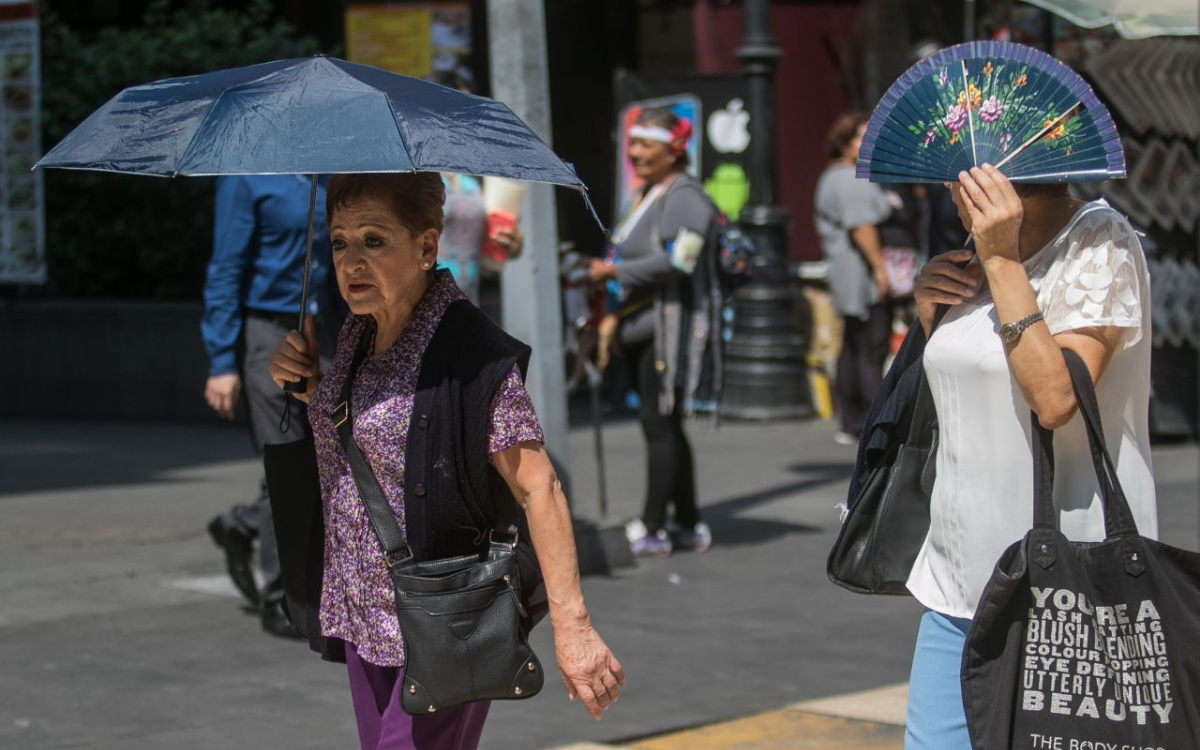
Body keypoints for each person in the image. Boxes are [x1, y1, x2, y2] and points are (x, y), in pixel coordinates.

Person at [267, 173, 623, 749]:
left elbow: (539, 487)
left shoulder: (471, 351)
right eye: (339, 241)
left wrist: (573, 627)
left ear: (427, 247)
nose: (352, 261)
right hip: (365, 612)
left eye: (374, 241)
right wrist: (310, 385)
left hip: (443, 618)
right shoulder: (361, 331)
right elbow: (368, 443)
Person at [903, 165, 1158, 749]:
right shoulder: (974, 251)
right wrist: (932, 312)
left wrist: (1001, 262)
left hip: (1069, 586)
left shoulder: (1101, 241)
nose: (950, 189)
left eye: (959, 173)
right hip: (957, 580)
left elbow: (1056, 399)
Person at [201, 174, 335, 638]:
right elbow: (225, 267)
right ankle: (282, 598)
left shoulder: (330, 177)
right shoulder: (248, 179)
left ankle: (239, 524)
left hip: (326, 332)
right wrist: (222, 361)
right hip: (269, 332)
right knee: (287, 463)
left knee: (327, 461)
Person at [586, 108, 721, 557]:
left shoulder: (686, 196)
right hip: (645, 326)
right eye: (634, 144)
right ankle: (687, 523)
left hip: (671, 328)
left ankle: (652, 525)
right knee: (665, 423)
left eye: (646, 145)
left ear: (674, 150)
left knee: (658, 423)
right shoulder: (648, 192)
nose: (635, 153)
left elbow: (681, 261)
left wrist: (613, 269)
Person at [814, 111, 893, 446]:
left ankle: (851, 419)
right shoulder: (847, 178)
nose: (866, 143)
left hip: (846, 272)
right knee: (870, 346)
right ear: (844, 142)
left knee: (853, 344)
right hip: (858, 275)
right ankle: (871, 422)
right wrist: (879, 268)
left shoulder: (836, 176)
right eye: (859, 136)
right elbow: (862, 226)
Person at [425, 70, 523, 307]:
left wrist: (511, 244)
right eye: (457, 108)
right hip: (421, 308)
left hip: (467, 306)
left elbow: (487, 246)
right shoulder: (414, 173)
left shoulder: (471, 177)